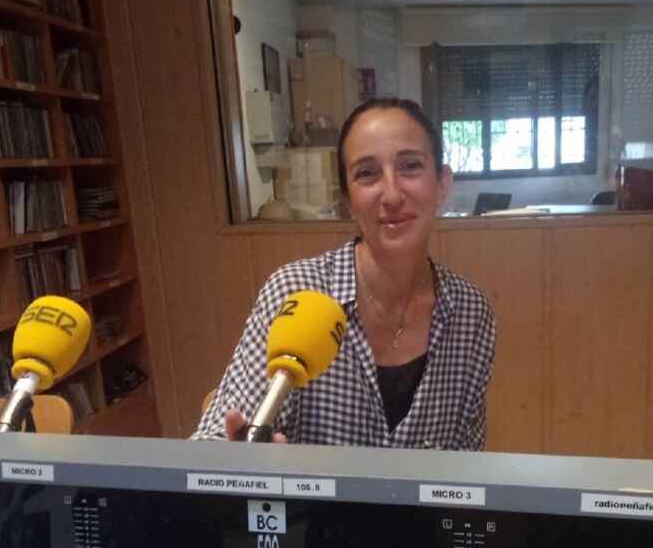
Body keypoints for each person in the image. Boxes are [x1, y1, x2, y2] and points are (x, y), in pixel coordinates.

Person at [191, 97, 496, 448]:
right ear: (348, 200)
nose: (392, 194)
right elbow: (214, 438)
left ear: (441, 183)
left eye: (411, 166)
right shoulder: (296, 292)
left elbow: (466, 460)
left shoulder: (471, 314)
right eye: (367, 174)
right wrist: (233, 458)